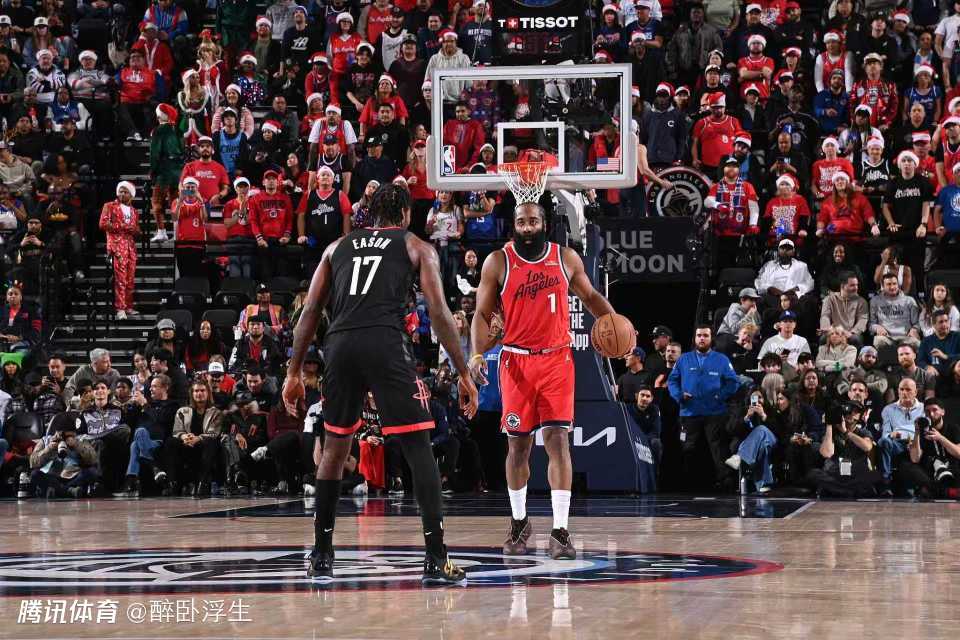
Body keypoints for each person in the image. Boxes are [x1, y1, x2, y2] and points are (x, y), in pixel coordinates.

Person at [283, 183, 479, 583]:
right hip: (385, 342)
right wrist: (463, 372)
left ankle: (321, 554)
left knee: (335, 448)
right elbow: (439, 312)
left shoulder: (336, 247)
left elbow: (310, 311)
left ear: (369, 214)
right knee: (417, 447)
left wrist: (293, 371)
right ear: (405, 215)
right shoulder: (416, 246)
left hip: (340, 343)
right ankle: (435, 558)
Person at [468, 200, 620, 561]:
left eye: (533, 221)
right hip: (516, 361)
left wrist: (615, 322)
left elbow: (591, 296)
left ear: (544, 224)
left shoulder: (564, 258)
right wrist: (476, 354)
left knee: (557, 441)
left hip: (556, 360)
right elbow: (481, 313)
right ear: (514, 225)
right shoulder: (498, 261)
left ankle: (560, 531)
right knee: (518, 446)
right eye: (521, 221)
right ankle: (519, 522)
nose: (527, 227)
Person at [668, 325, 740, 490]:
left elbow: (733, 382)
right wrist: (679, 395)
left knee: (718, 450)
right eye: (699, 335)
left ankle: (725, 484)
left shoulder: (721, 359)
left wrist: (720, 395)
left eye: (705, 335)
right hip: (689, 412)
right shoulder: (683, 359)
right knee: (687, 448)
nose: (702, 338)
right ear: (695, 338)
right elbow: (672, 381)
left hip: (715, 412)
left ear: (711, 338)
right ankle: (687, 484)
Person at [806, 400, 881, 498]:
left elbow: (867, 447)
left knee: (874, 475)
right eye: (848, 410)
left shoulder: (863, 432)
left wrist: (846, 432)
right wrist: (829, 425)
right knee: (813, 474)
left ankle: (837, 490)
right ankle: (848, 491)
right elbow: (827, 453)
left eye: (855, 411)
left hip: (854, 474)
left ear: (860, 416)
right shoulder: (832, 432)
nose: (851, 414)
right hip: (835, 473)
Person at [899, 397, 960, 498]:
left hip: (952, 468)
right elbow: (915, 459)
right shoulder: (923, 431)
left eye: (935, 410)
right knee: (906, 466)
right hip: (930, 472)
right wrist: (917, 432)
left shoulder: (953, 429)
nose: (931, 414)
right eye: (927, 411)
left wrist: (940, 438)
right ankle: (944, 491)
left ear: (943, 412)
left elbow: (958, 453)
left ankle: (934, 491)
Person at [98, 182, 140, 321]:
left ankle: (128, 306)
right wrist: (122, 226)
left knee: (130, 279)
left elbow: (137, 230)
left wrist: (134, 229)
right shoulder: (109, 206)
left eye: (125, 192)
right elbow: (103, 224)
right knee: (120, 279)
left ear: (131, 195)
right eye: (120, 191)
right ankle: (120, 309)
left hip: (130, 247)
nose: (122, 194)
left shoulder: (134, 211)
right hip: (116, 246)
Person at [878, 378, 925, 495]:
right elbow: (885, 433)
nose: (904, 392)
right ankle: (886, 482)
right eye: (901, 389)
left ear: (915, 392)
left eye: (908, 390)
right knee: (884, 441)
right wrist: (891, 434)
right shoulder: (888, 409)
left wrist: (915, 439)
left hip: (917, 442)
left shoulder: (923, 408)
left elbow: (926, 429)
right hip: (897, 443)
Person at [869, 272, 922, 349]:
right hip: (886, 337)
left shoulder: (909, 300)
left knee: (915, 342)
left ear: (898, 285)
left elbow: (917, 323)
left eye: (894, 284)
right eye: (888, 284)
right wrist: (877, 328)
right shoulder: (875, 300)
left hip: (906, 336)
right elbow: (871, 324)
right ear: (883, 286)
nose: (892, 287)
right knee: (878, 341)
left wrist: (914, 329)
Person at [819, 272, 868, 347]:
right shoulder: (829, 299)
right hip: (834, 331)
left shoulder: (862, 301)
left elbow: (862, 320)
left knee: (856, 339)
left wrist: (852, 332)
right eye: (852, 285)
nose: (856, 288)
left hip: (851, 334)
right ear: (842, 286)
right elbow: (825, 316)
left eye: (857, 285)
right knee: (823, 339)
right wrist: (829, 329)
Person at [917, 311, 960, 377]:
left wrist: (946, 356)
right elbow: (920, 361)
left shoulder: (957, 336)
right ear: (933, 325)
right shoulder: (926, 341)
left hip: (955, 373)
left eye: (946, 321)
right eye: (941, 322)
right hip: (935, 375)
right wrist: (927, 367)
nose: (944, 324)